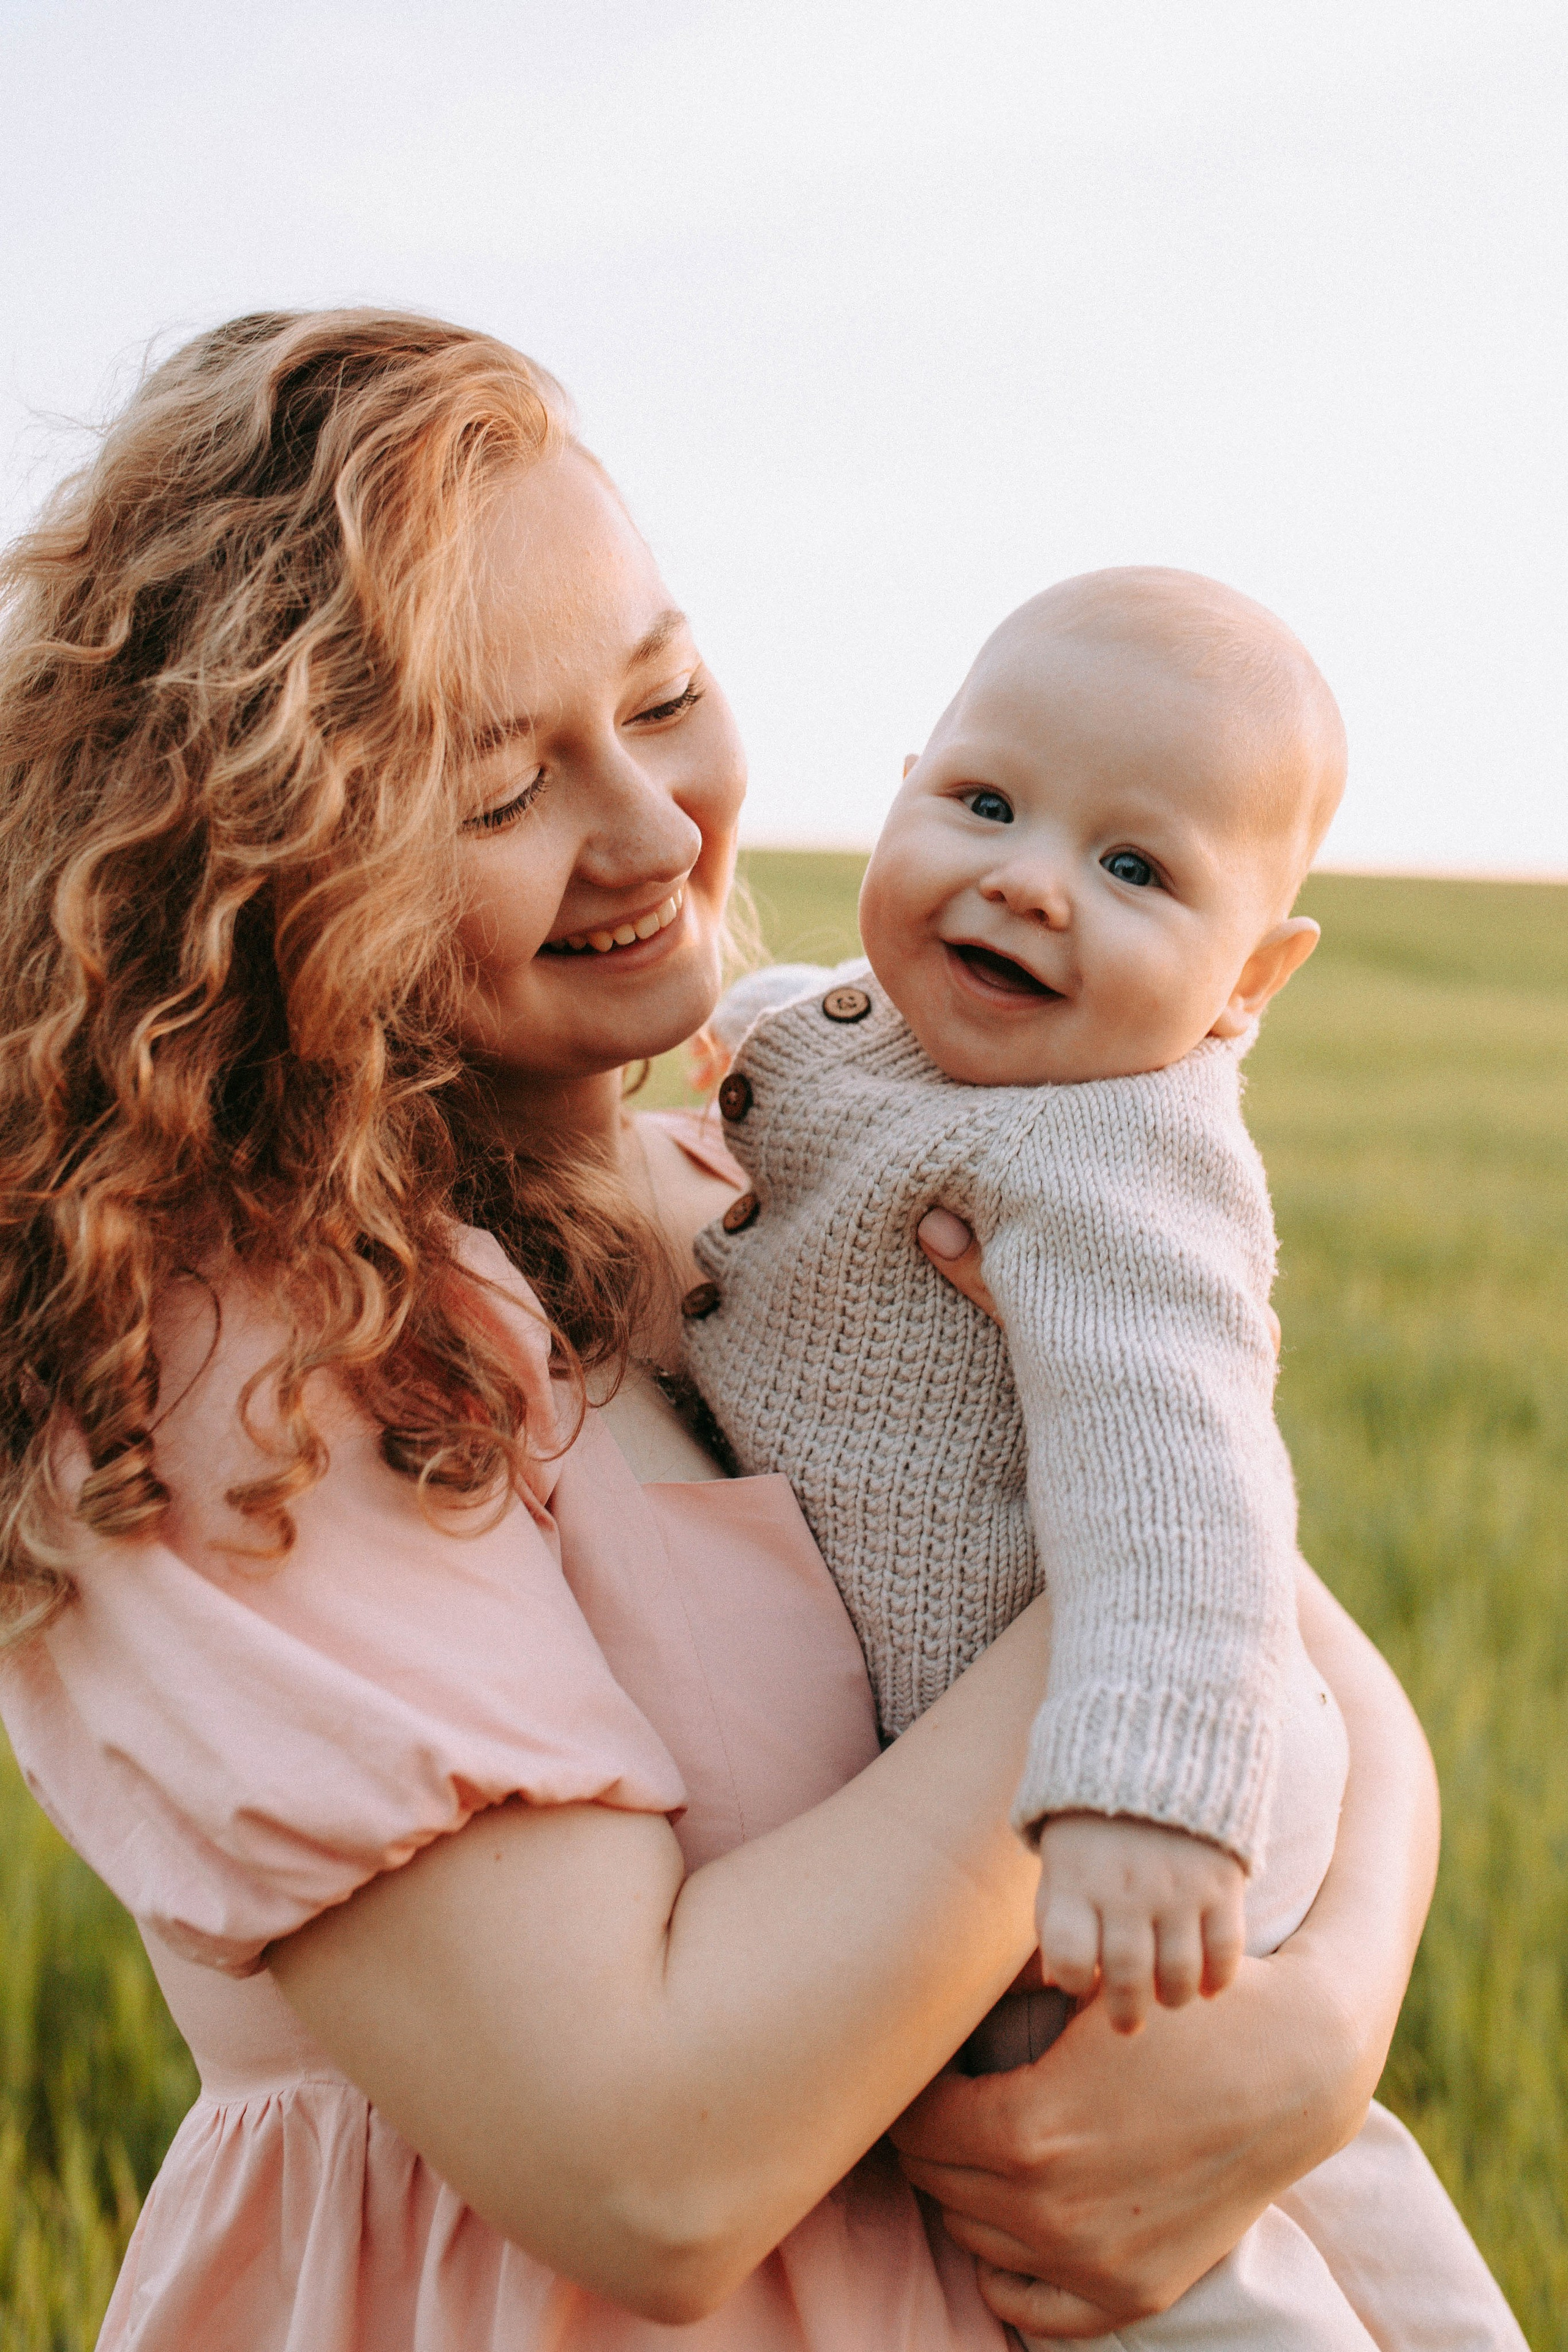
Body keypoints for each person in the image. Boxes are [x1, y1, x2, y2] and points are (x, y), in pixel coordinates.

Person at [0, 309, 1469, 2350]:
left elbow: (1294, 1623)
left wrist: (1324, 2012)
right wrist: (1148, 1568)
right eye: (505, 785)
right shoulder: (243, 1362)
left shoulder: (751, 1182)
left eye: (665, 691)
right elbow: (650, 2169)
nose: (660, 829)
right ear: (270, 868)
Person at [679, 575, 1528, 2346]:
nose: (1031, 878)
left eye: (1137, 871)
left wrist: (1147, 1788)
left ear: (1254, 975)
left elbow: (1184, 1492)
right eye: (984, 805)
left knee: (1139, 2236)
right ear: (908, 784)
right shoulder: (854, 1026)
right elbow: (794, 1040)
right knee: (1294, 2185)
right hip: (1020, 1774)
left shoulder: (1125, 1153)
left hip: (1136, 1783)